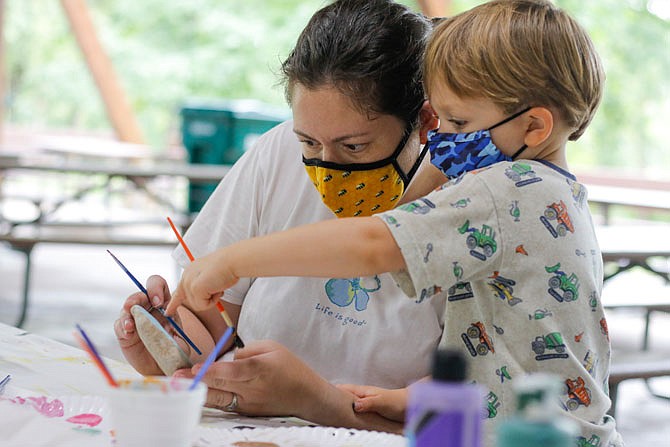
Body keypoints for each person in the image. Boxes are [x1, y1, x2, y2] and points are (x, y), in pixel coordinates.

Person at [165, 0, 624, 445]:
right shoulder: (556, 195)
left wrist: (234, 261)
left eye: (458, 122)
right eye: (435, 118)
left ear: (534, 127)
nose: (439, 138)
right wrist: (411, 396)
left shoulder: (504, 189)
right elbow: (513, 340)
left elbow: (373, 243)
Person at [114, 0, 442, 432]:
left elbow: (472, 417)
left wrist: (316, 400)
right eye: (309, 142)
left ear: (424, 120)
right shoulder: (276, 154)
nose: (328, 169)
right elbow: (214, 326)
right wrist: (170, 344)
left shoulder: (471, 207)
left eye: (354, 147)